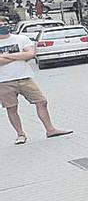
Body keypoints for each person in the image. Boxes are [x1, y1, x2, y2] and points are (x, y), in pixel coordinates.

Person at [0, 16, 72, 144]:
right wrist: (19, 56)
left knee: (41, 101)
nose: (4, 26)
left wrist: (7, 56)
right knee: (11, 108)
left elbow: (30, 54)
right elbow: (22, 55)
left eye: (5, 23)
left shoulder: (21, 38)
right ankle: (20, 134)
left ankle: (50, 129)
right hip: (4, 81)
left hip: (25, 77)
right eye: (1, 25)